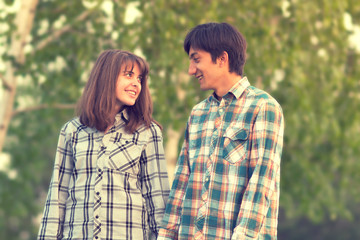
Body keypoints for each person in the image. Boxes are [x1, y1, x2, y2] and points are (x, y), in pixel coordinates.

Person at [158, 22, 284, 239]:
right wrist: (166, 235)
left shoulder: (263, 107)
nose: (190, 70)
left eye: (196, 60)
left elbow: (261, 182)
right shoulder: (197, 113)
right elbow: (182, 180)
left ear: (222, 59)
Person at [37, 50, 170, 240]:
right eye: (129, 75)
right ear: (106, 77)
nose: (136, 84)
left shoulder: (147, 132)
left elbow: (158, 202)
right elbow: (57, 197)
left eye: (140, 79)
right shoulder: (72, 131)